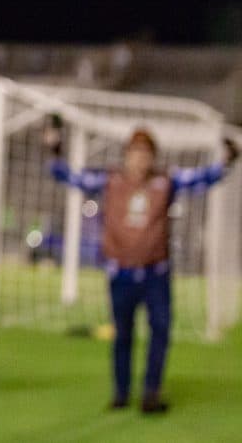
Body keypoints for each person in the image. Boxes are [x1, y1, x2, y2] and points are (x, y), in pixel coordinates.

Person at [47, 125, 238, 413]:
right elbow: (70, 177)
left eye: (145, 153)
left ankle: (151, 391)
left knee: (160, 331)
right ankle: (121, 393)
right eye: (135, 153)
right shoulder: (109, 180)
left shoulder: (166, 181)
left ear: (152, 157)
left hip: (155, 274)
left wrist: (228, 160)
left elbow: (203, 179)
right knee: (122, 334)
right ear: (126, 156)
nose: (140, 159)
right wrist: (54, 148)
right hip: (121, 273)